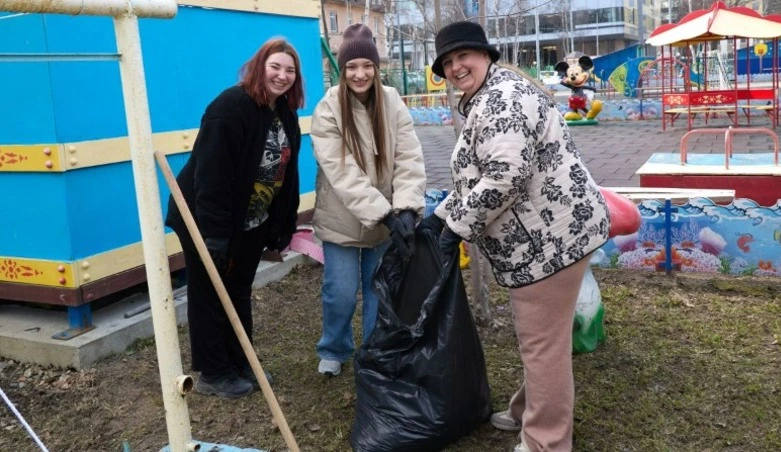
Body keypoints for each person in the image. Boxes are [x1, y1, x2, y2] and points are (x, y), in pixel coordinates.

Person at [423, 21, 610, 451]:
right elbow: (480, 177)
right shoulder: (490, 95)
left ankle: (546, 441)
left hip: (547, 243)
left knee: (542, 345)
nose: (455, 67)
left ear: (485, 55)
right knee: (545, 339)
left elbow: (504, 178)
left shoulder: (502, 99)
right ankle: (530, 410)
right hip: (551, 236)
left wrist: (454, 227)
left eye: (462, 56)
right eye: (447, 62)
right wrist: (440, 217)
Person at [165, 38, 304, 399]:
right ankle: (213, 372)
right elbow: (211, 177)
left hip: (249, 221)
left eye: (289, 70)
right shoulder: (230, 107)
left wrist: (281, 227)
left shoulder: (284, 113)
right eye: (275, 67)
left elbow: (286, 176)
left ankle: (241, 362)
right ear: (260, 66)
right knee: (210, 291)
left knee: (238, 289)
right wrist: (213, 236)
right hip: (205, 217)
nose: (282, 75)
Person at [310, 23, 426, 377]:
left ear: (377, 67)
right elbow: (341, 171)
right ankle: (334, 348)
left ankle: (375, 350)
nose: (360, 74)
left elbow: (409, 156)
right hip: (343, 216)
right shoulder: (329, 108)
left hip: (386, 216)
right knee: (341, 292)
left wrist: (405, 206)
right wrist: (385, 213)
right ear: (342, 70)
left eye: (367, 65)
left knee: (379, 290)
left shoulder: (392, 101)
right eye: (351, 67)